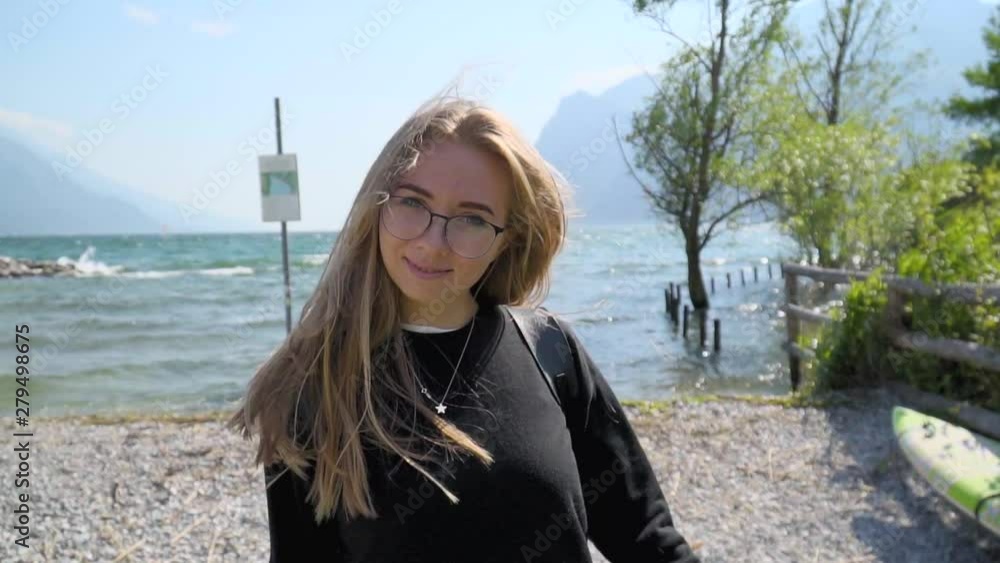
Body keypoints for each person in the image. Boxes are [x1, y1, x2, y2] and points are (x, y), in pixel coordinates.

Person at [227, 90, 700, 563]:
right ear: (378, 206)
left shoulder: (550, 350)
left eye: (472, 218)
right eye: (413, 202)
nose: (434, 243)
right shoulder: (314, 387)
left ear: (506, 239)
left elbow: (649, 541)